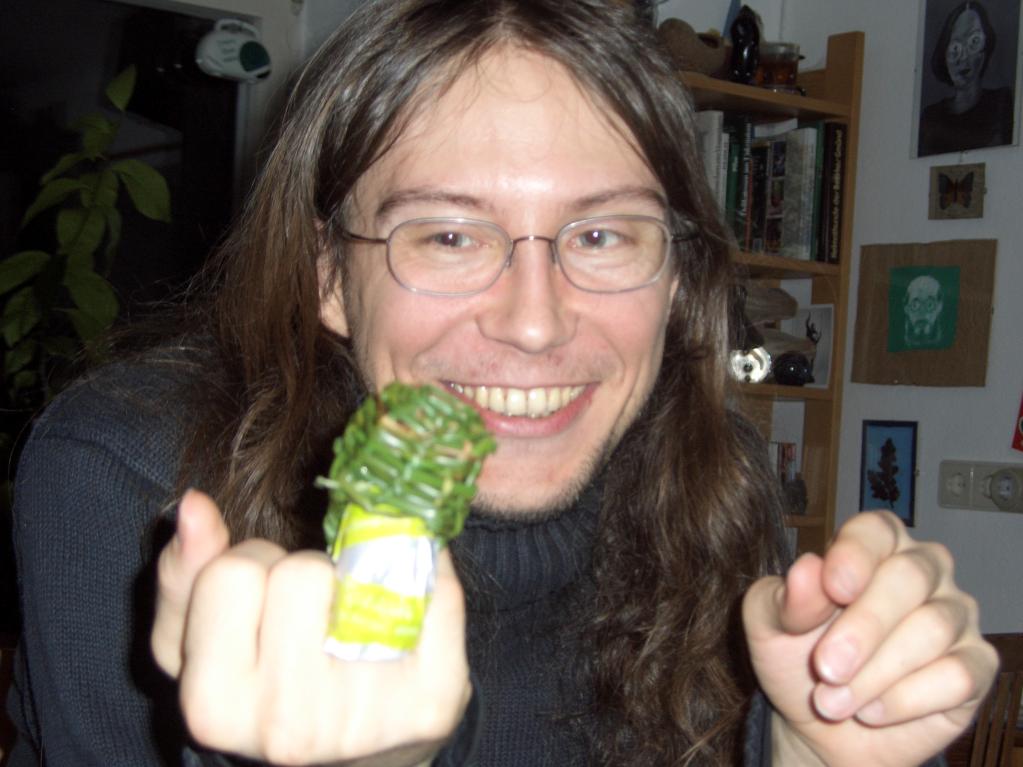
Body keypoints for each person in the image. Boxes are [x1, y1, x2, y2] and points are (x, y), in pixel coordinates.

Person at [7, 1, 996, 765]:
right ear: (328, 276)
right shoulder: (128, 475)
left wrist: (810, 753)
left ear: (676, 274)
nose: (534, 321)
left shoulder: (719, 481)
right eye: (447, 235)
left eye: (601, 235)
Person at [918, 0, 1014, 156]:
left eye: (974, 42)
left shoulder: (1001, 102)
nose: (963, 57)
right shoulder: (931, 117)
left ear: (985, 48)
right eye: (955, 48)